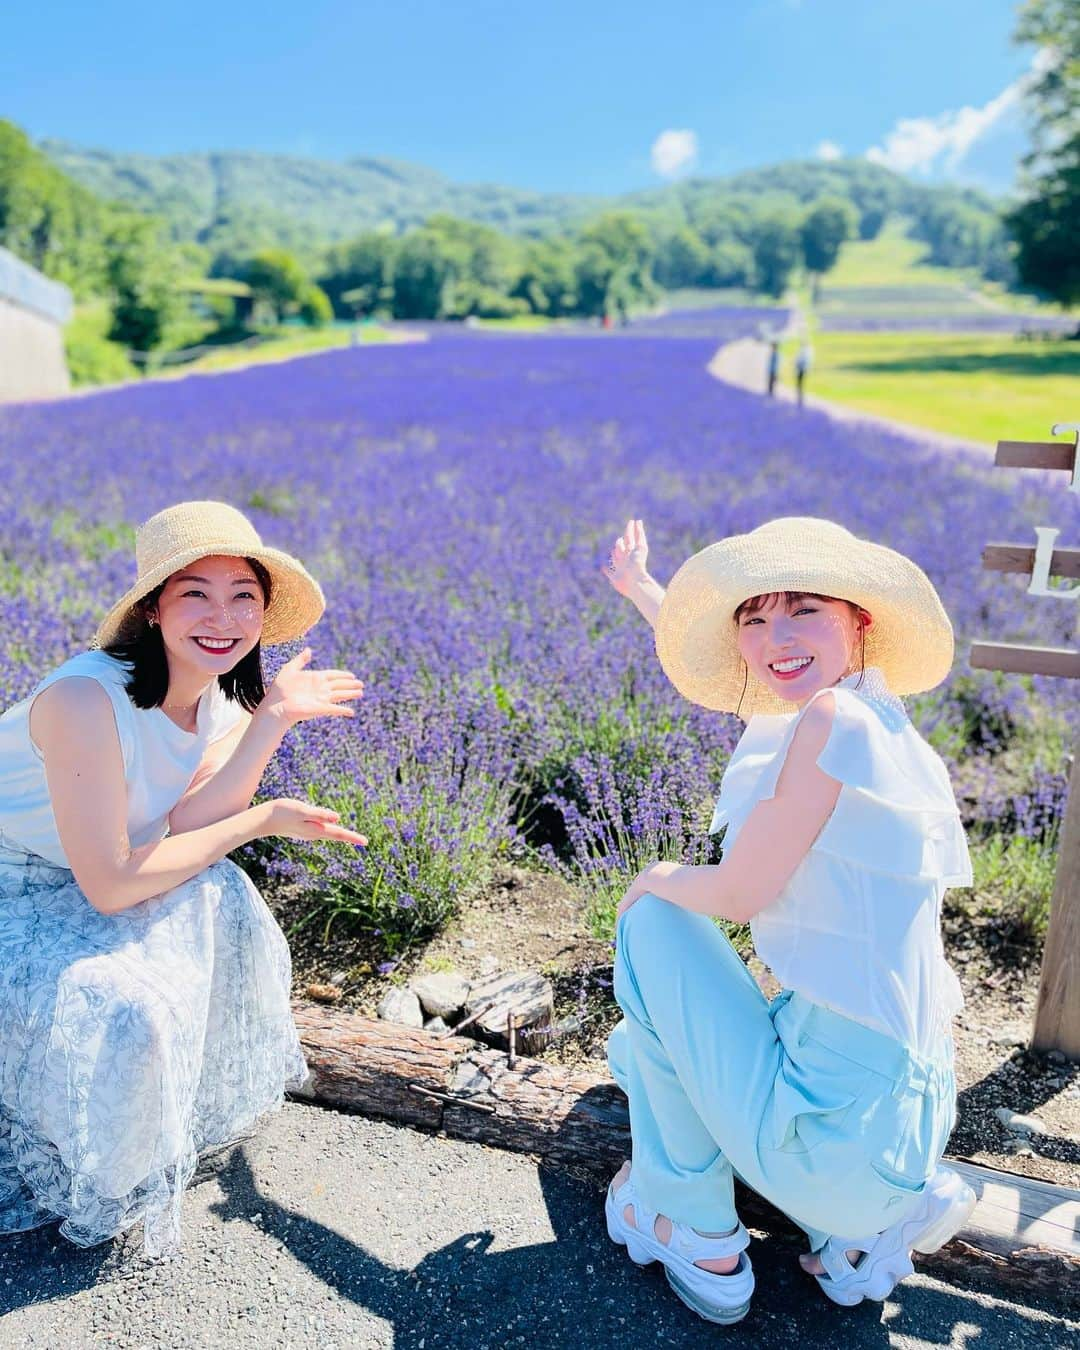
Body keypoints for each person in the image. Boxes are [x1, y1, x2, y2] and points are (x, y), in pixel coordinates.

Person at [600, 516, 975, 1325]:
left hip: (832, 1138)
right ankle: (852, 1232)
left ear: (858, 620)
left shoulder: (828, 723)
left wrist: (650, 877)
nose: (776, 638)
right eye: (752, 618)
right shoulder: (878, 720)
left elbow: (737, 895)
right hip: (903, 1121)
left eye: (803, 610)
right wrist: (645, 590)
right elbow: (771, 691)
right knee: (634, 1049)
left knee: (654, 925)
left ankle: (689, 1226)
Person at [0, 501, 367, 1256]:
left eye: (243, 596)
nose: (221, 616)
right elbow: (111, 883)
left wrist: (270, 721)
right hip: (14, 885)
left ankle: (133, 1136)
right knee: (124, 1005)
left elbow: (189, 823)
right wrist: (259, 822)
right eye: (195, 592)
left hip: (81, 875)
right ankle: (84, 1152)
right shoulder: (83, 699)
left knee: (218, 893)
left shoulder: (217, 696)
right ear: (154, 609)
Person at [794, 340, 813, 406]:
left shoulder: (804, 352)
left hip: (801, 370)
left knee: (800, 384)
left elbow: (801, 361)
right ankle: (800, 397)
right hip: (801, 369)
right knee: (799, 384)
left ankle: (800, 397)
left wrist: (798, 364)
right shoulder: (805, 351)